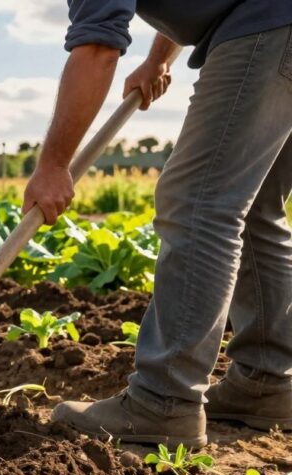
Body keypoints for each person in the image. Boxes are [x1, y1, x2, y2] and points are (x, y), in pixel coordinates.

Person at [26, 1, 292, 447]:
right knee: (256, 204)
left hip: (269, 25)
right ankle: (267, 383)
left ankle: (163, 401)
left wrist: (53, 163)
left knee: (197, 202)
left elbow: (97, 49)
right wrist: (156, 61)